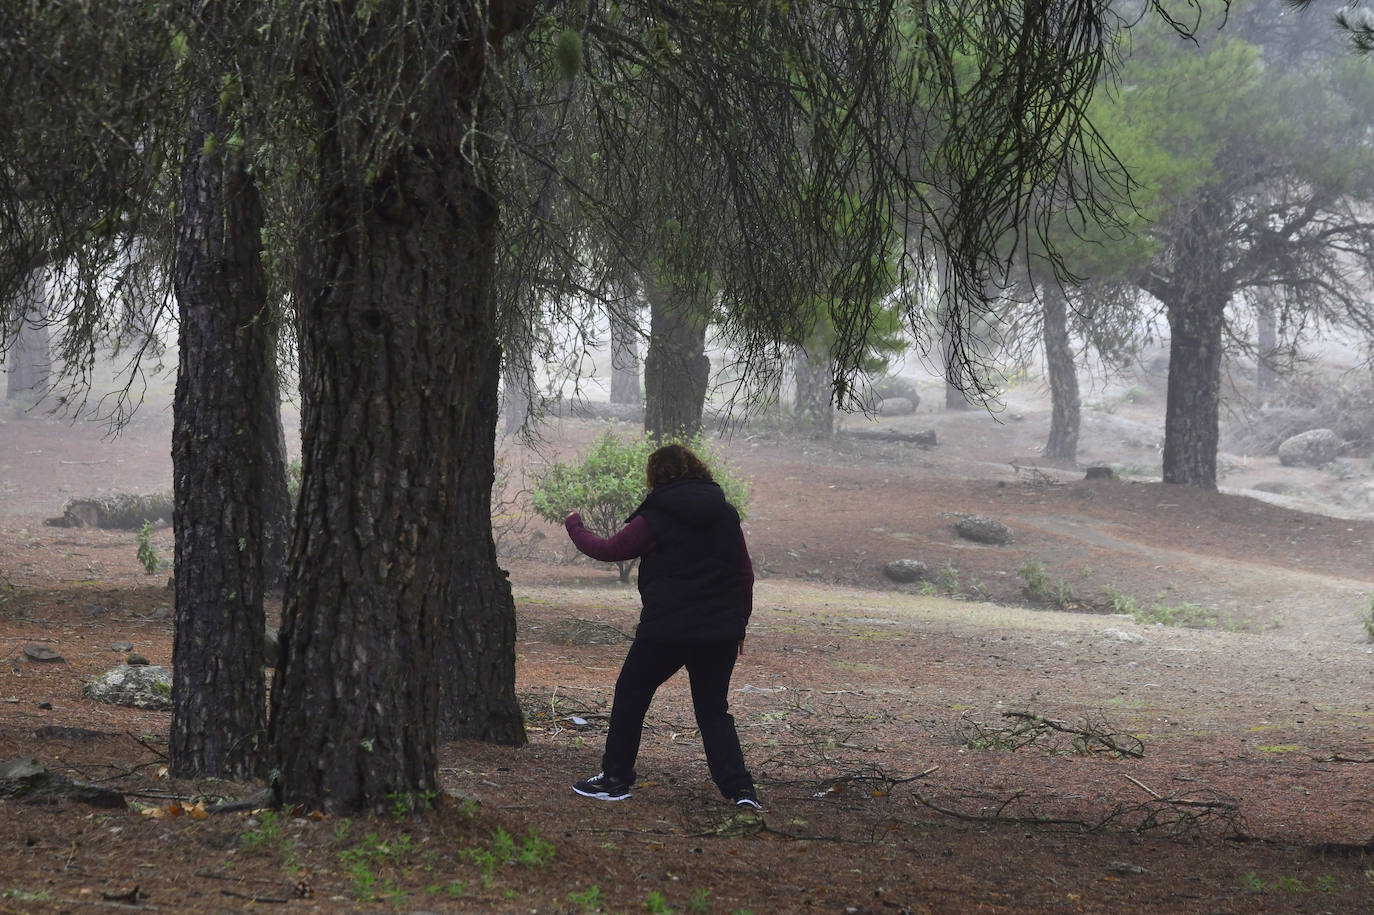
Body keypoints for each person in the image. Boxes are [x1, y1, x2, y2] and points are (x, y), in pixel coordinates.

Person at [563, 442, 762, 810]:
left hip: (666, 630)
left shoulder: (655, 516)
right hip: (720, 631)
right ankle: (741, 791)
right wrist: (740, 625)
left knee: (631, 695)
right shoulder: (727, 514)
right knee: (713, 710)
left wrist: (574, 525)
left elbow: (610, 550)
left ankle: (616, 779)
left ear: (658, 475)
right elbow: (744, 574)